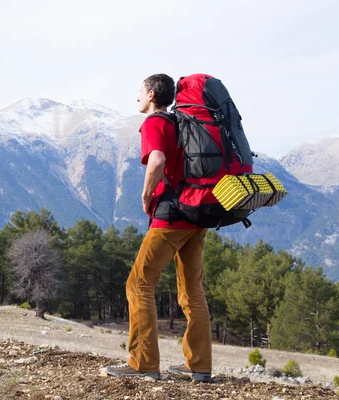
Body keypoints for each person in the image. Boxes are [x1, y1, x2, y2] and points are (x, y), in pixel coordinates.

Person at [105, 74, 212, 382]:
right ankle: (199, 366)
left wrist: (146, 193)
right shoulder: (183, 123)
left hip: (170, 218)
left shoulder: (155, 123)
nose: (136, 97)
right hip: (197, 215)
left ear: (151, 94)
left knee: (138, 283)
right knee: (192, 290)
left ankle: (143, 363)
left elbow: (157, 160)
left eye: (139, 92)